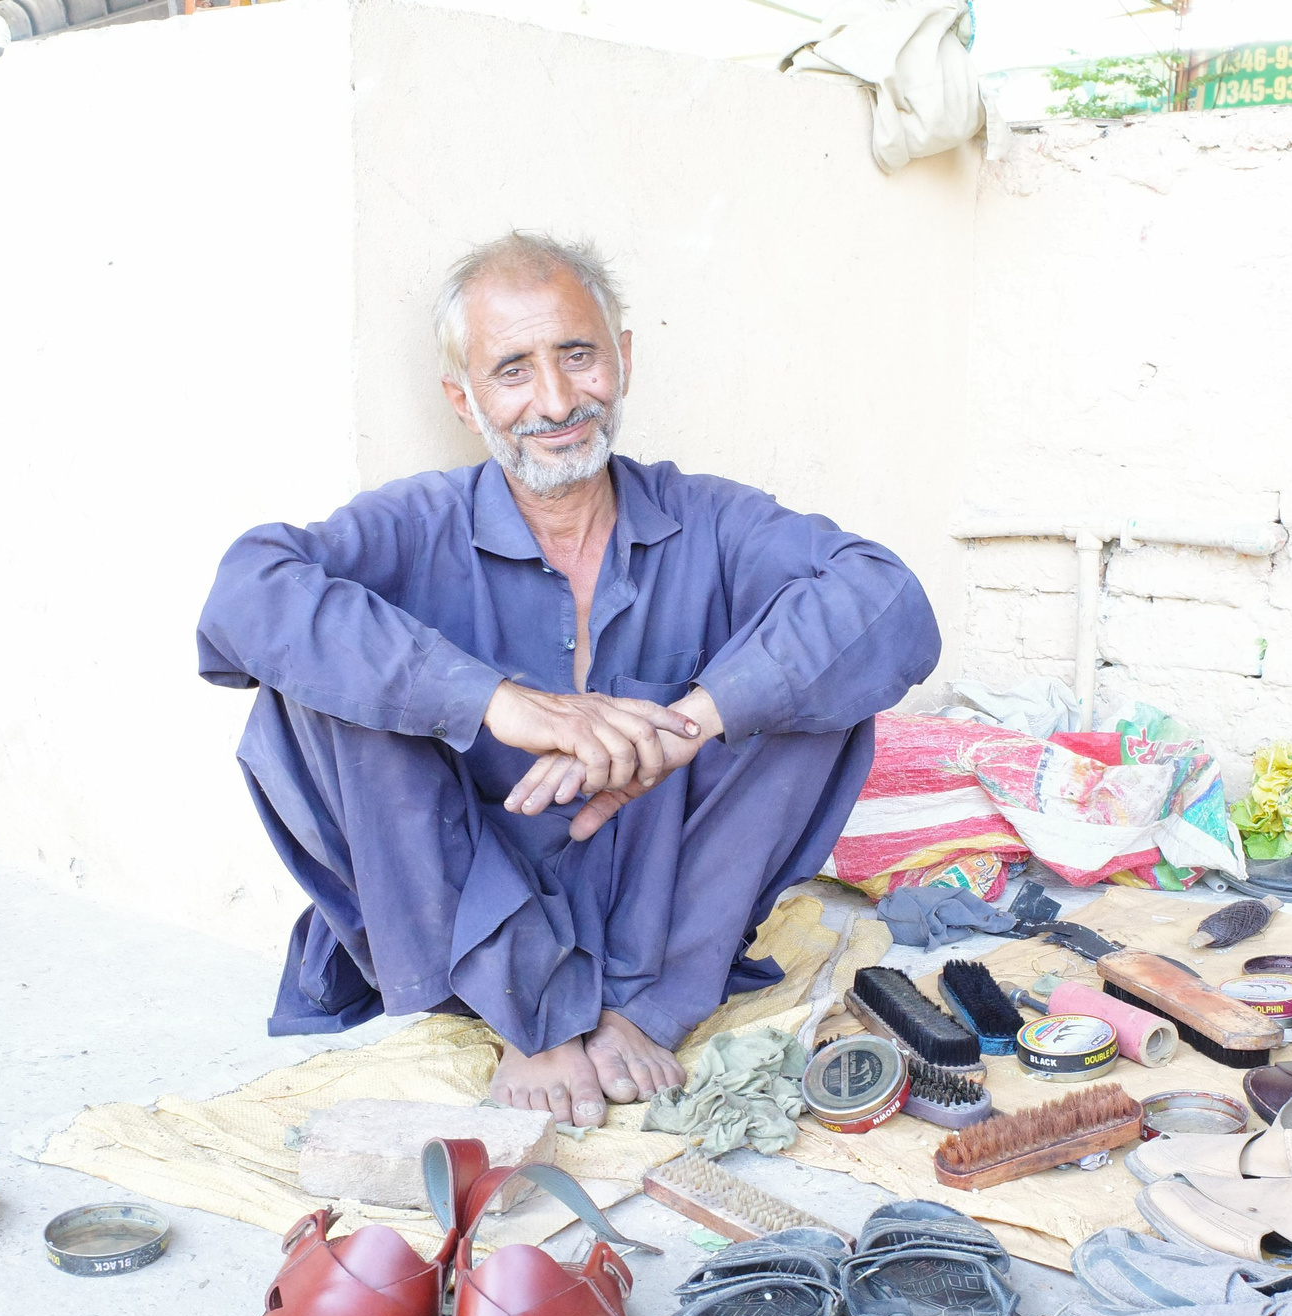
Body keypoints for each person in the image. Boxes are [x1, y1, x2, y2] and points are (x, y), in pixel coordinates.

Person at [196, 233, 940, 1129]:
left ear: (622, 358)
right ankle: (528, 1010)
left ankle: (642, 1004)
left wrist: (685, 726)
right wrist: (496, 703)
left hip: (652, 894)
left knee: (815, 680)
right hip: (466, 903)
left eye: (578, 355)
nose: (555, 400)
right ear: (463, 400)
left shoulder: (703, 516)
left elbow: (886, 597)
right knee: (317, 680)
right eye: (512, 370)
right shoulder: (419, 522)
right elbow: (248, 593)